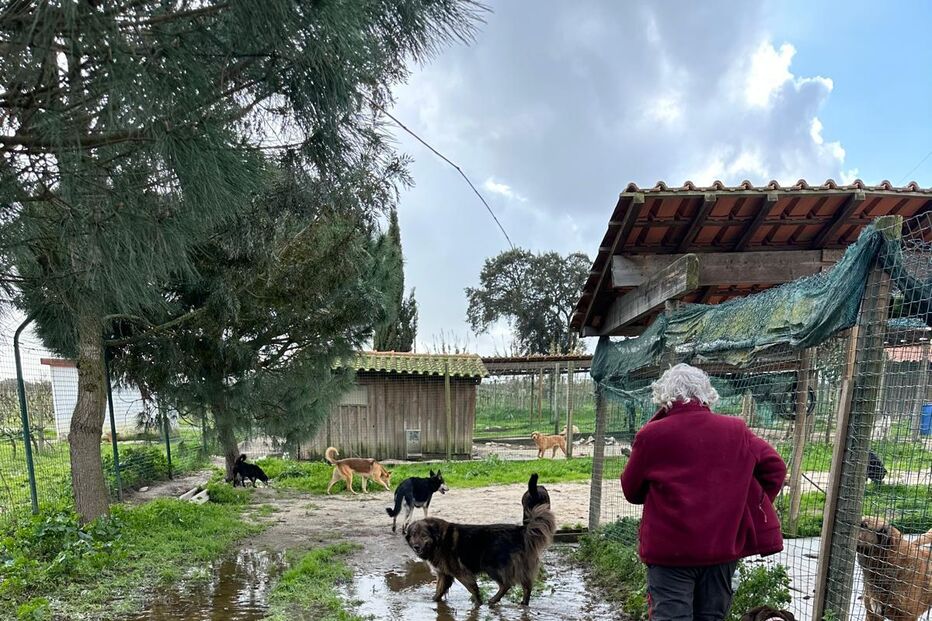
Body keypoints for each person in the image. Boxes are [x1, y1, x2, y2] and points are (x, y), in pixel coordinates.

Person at [621, 363, 787, 621]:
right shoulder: (736, 429)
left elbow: (631, 491)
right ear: (706, 394)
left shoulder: (651, 435)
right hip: (720, 550)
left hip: (669, 555)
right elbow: (775, 468)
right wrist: (748, 503)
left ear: (664, 397)